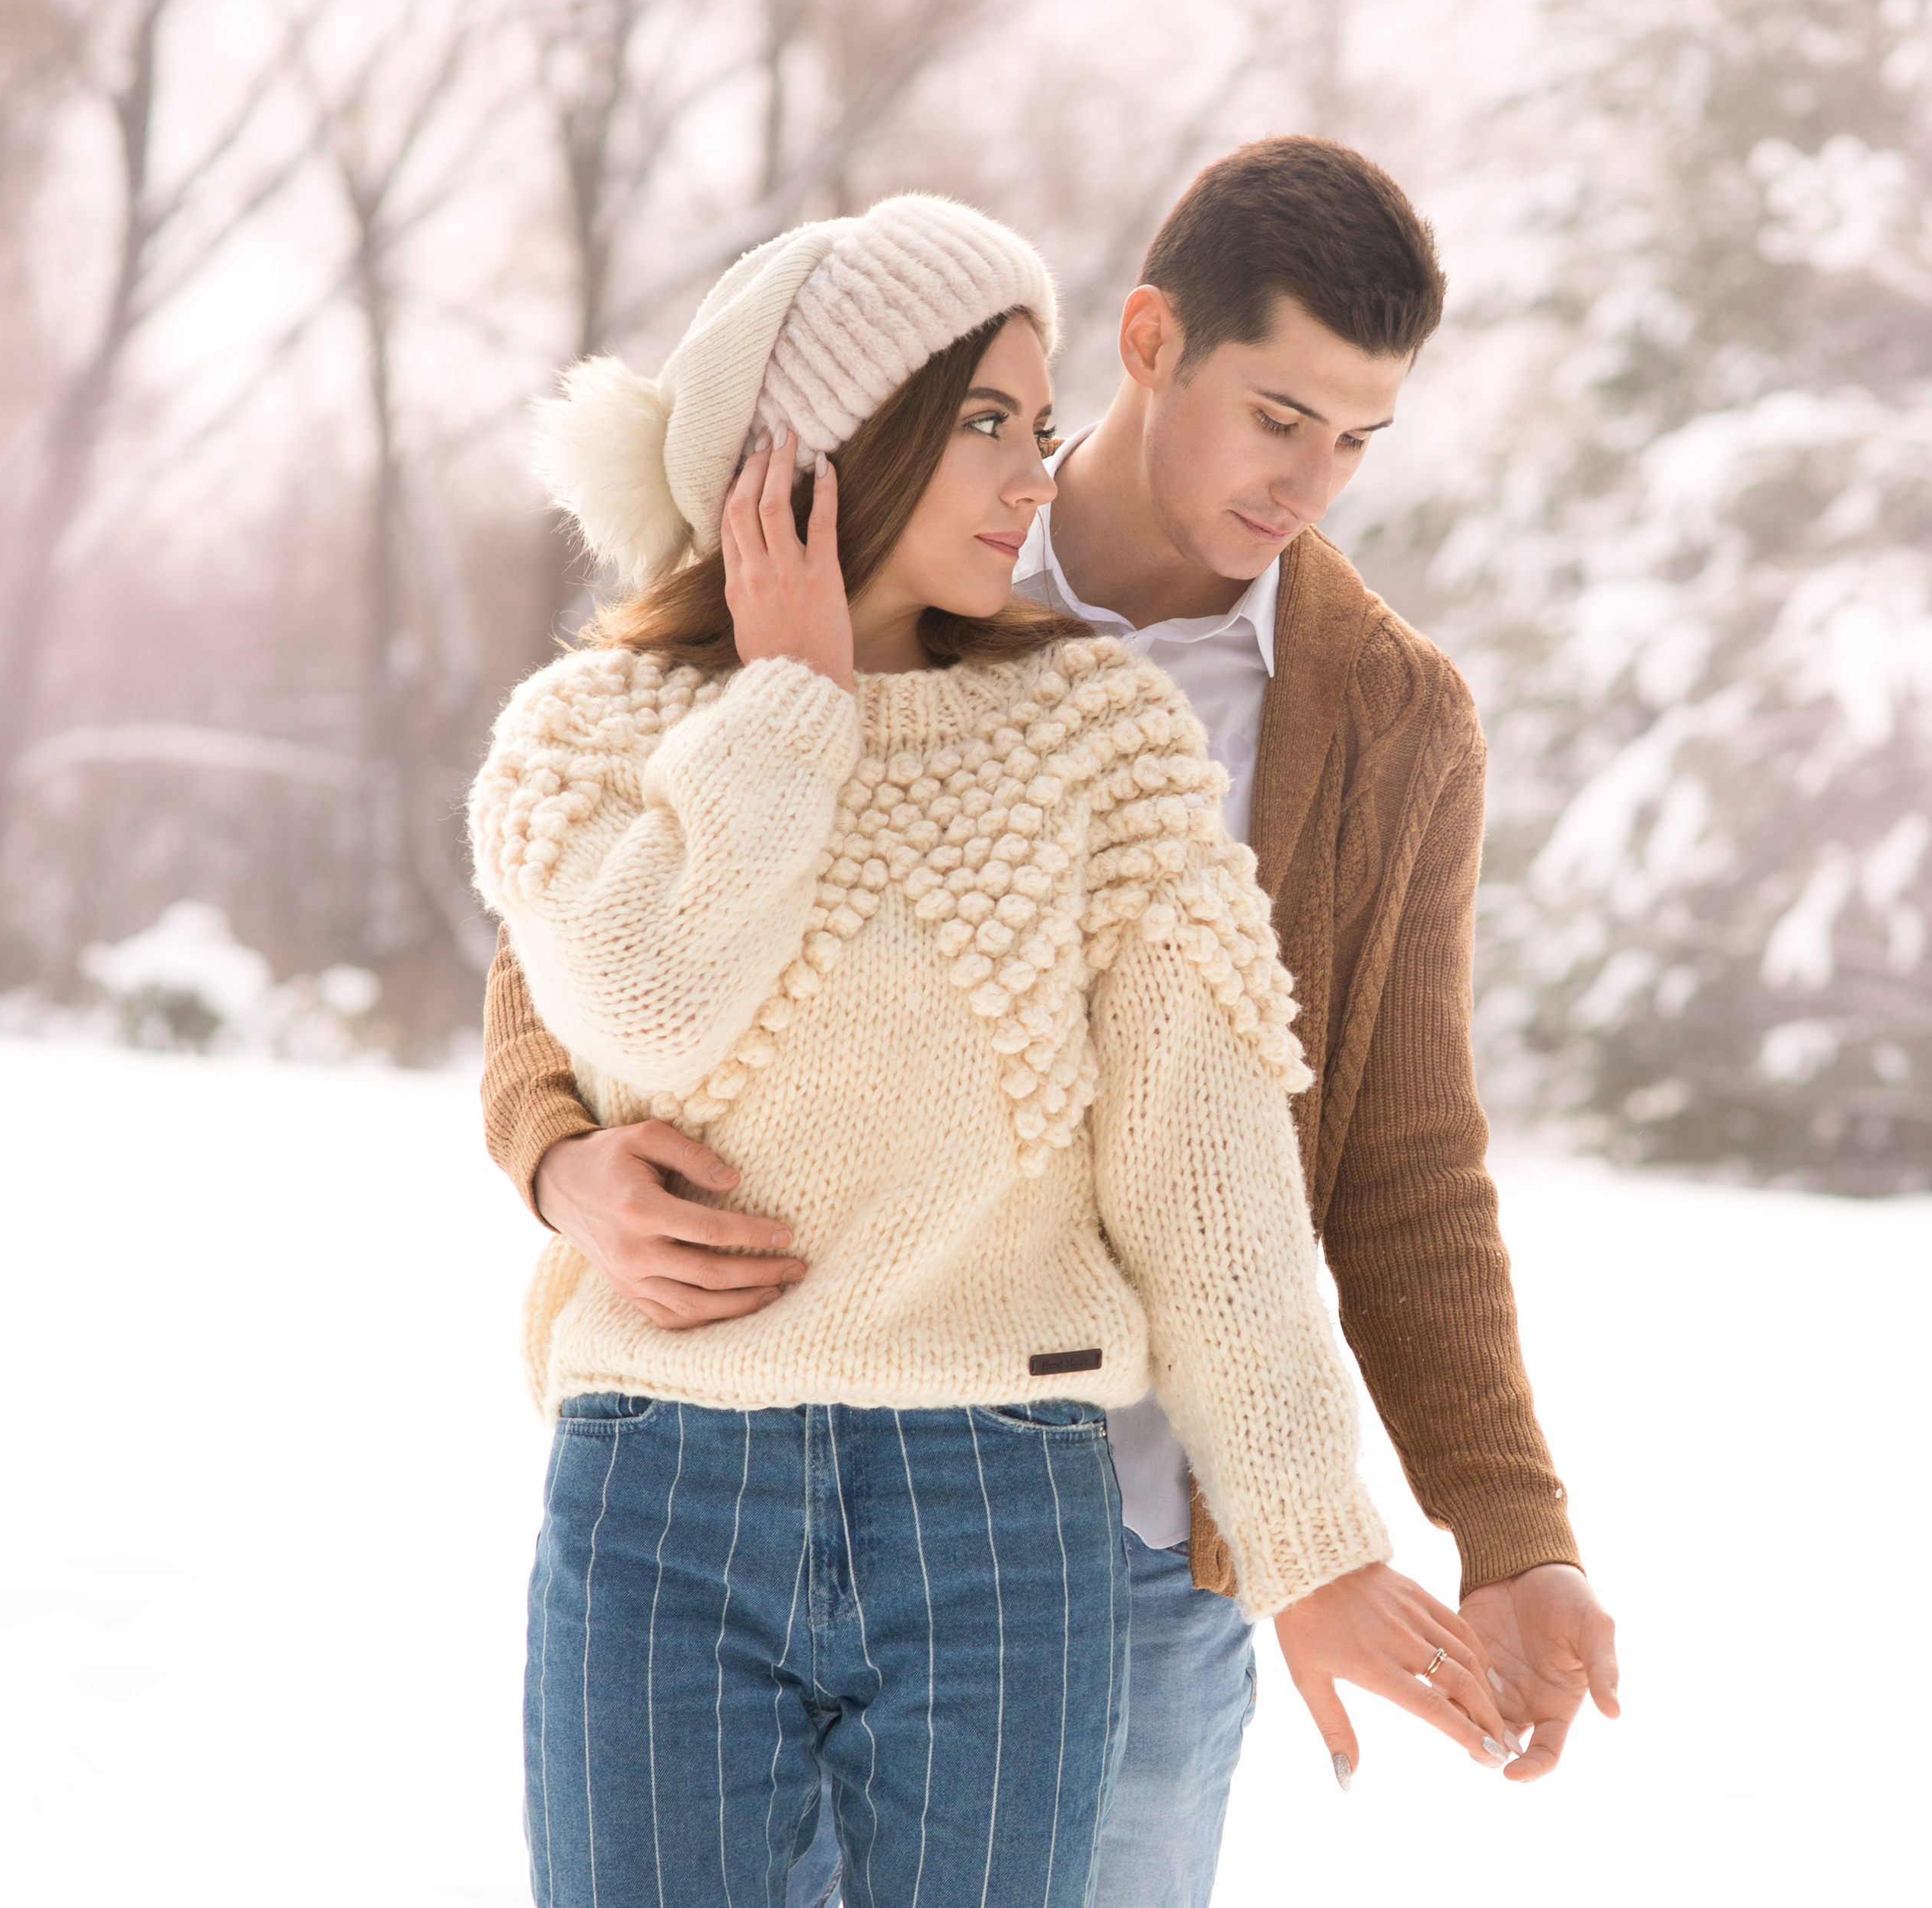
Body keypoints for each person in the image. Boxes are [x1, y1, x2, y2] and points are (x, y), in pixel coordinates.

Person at [471, 193, 1500, 1908]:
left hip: (1004, 1496)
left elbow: (1208, 1179)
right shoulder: (590, 729)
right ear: (814, 445)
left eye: (1036, 425)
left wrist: (1317, 1536)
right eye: (985, 426)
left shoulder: (1105, 739)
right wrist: (791, 707)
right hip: (665, 1476)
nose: (1035, 473)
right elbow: (635, 1005)